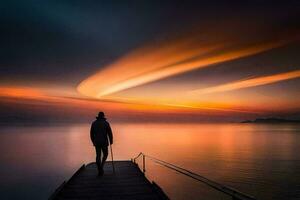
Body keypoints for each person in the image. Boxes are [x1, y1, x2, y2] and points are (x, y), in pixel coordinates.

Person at [90, 112, 113, 176]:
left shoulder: (94, 123)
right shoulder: (106, 123)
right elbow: (110, 133)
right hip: (104, 142)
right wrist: (111, 141)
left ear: (98, 116)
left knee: (98, 156)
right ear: (103, 116)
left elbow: (91, 134)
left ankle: (100, 168)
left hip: (97, 142)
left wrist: (93, 141)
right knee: (105, 154)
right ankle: (101, 166)